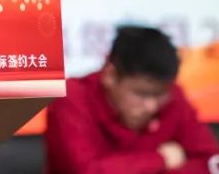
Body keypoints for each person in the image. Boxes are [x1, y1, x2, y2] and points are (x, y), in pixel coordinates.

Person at [45, 25, 219, 174]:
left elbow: (211, 163)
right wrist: (161, 159)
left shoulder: (173, 96)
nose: (152, 106)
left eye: (159, 95)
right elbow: (87, 171)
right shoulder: (71, 99)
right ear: (110, 75)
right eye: (141, 94)